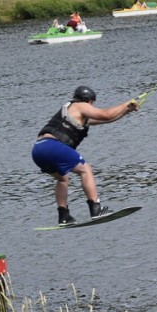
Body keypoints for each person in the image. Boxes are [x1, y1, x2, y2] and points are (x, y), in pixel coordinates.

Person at [32, 86, 138, 224]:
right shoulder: (80, 106)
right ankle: (96, 210)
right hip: (53, 147)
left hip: (38, 150)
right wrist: (125, 103)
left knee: (62, 178)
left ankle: (64, 216)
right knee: (86, 170)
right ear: (89, 101)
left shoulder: (73, 111)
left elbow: (108, 119)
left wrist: (125, 111)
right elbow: (106, 114)